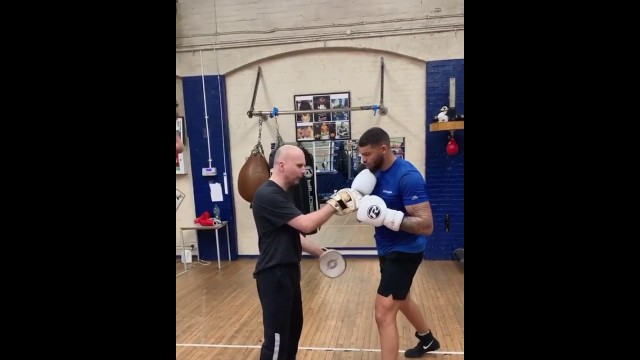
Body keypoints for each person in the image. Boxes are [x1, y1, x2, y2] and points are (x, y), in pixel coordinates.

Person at [251, 144, 359, 360]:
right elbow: (306, 225)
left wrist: (320, 252)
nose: (304, 170)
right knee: (278, 340)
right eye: (299, 165)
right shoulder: (267, 194)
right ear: (282, 165)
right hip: (274, 274)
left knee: (292, 332)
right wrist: (334, 204)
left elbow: (292, 234)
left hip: (288, 271)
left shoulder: (283, 193)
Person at [355, 127, 440, 359]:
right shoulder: (372, 173)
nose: (363, 160)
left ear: (384, 148)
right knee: (401, 299)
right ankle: (427, 339)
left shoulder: (407, 177)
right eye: (361, 155)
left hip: (405, 251)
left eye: (367, 155)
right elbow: (369, 208)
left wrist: (387, 217)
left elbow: (426, 225)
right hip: (385, 247)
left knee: (383, 313)